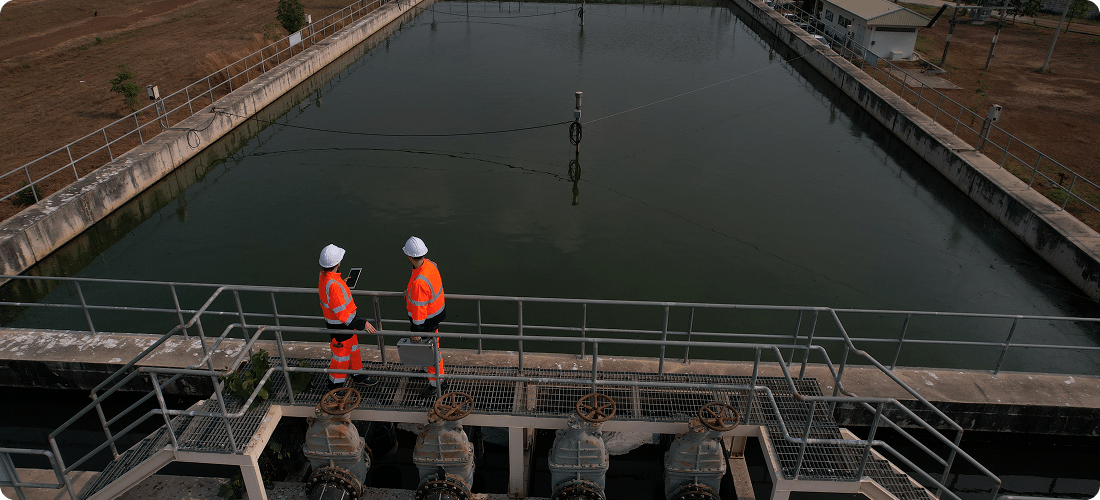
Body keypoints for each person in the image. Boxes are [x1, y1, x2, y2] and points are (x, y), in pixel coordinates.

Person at [318, 244, 378, 391]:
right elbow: (342, 314)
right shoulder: (334, 286)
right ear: (337, 263)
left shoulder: (325, 277)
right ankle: (335, 387)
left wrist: (341, 283)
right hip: (342, 326)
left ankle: (357, 375)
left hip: (339, 324)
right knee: (341, 356)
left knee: (353, 349)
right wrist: (362, 322)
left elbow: (332, 294)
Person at [402, 236, 448, 397]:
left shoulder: (419, 282)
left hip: (427, 320)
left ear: (409, 257)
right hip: (436, 313)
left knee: (430, 353)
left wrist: (416, 330)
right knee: (433, 348)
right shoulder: (430, 265)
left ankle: (437, 383)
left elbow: (419, 309)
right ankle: (434, 376)